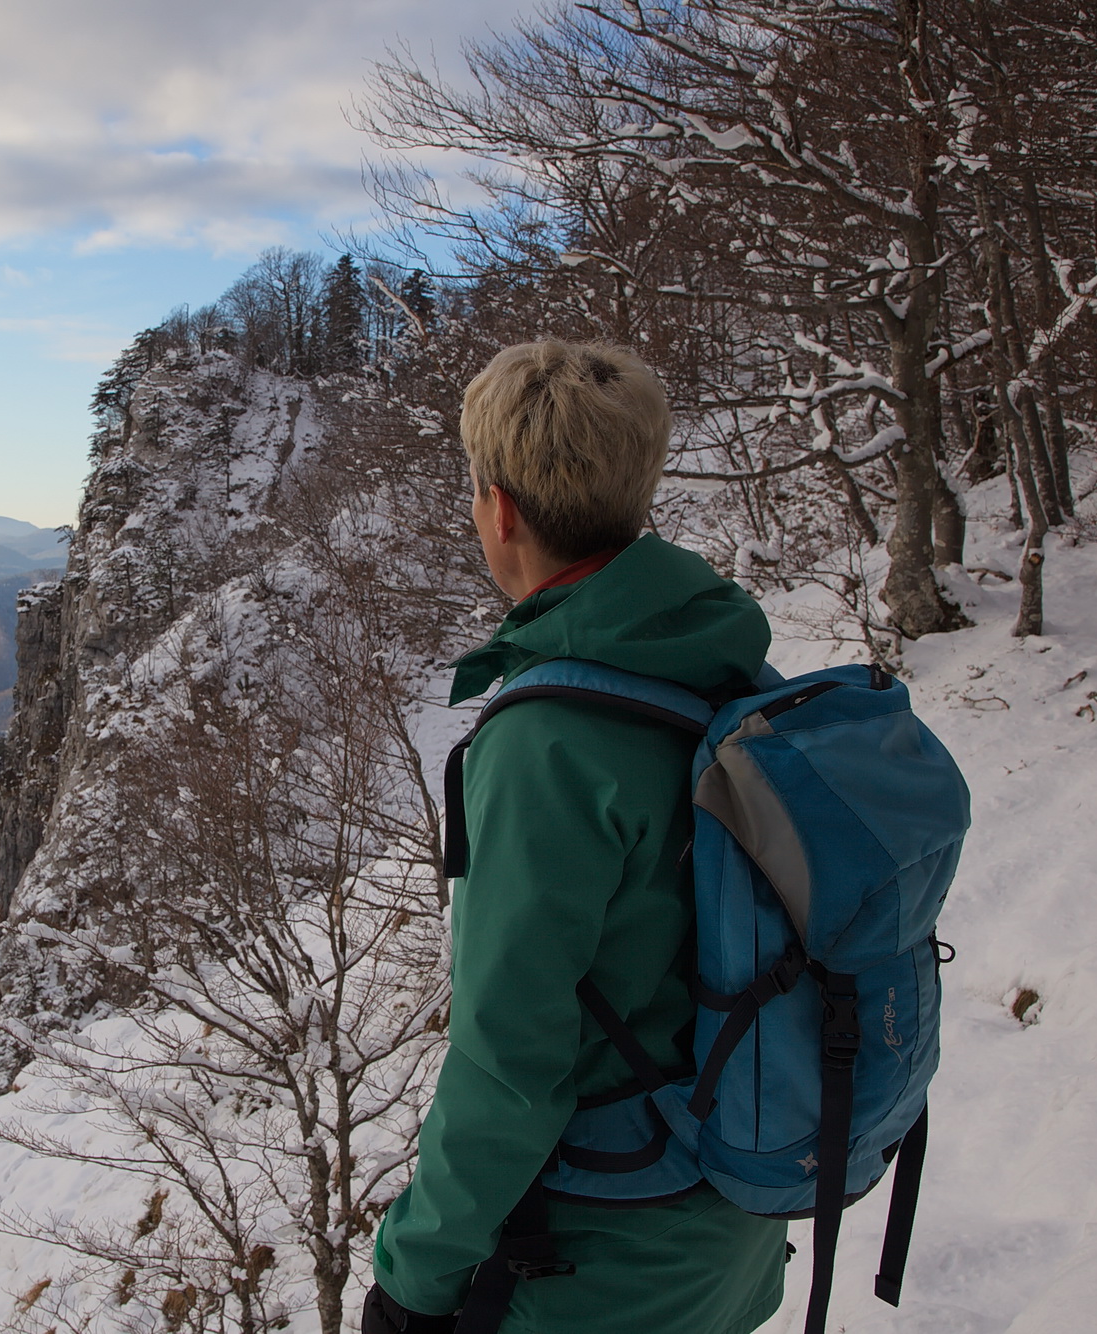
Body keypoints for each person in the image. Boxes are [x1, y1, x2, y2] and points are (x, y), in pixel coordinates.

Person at [363, 340, 788, 1334]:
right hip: (736, 1211)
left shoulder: (547, 746)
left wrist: (411, 1280)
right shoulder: (723, 670)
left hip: (600, 1253)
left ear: (497, 510)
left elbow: (508, 1060)